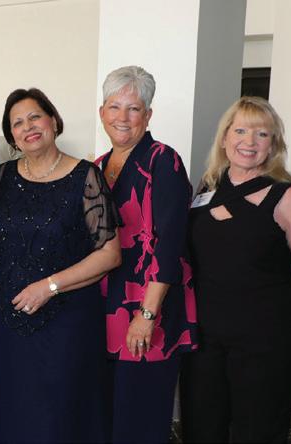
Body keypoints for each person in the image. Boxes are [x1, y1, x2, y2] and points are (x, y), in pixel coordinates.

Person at [181, 96, 291, 442]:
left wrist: (266, 279)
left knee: (258, 426)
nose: (249, 141)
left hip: (267, 333)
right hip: (205, 332)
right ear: (224, 138)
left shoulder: (287, 196)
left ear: (273, 145)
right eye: (240, 131)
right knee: (202, 422)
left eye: (261, 134)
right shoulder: (208, 187)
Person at [0, 88, 121, 442]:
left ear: (53, 121)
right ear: (11, 136)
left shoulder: (86, 176)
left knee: (61, 418)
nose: (28, 127)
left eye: (35, 117)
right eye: (18, 123)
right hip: (9, 324)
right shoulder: (0, 177)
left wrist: (49, 286)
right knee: (15, 415)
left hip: (68, 323)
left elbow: (110, 254)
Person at [95, 65, 198, 442]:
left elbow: (169, 243)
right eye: (114, 106)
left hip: (148, 308)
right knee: (110, 415)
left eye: (134, 108)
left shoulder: (162, 161)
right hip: (105, 308)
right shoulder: (97, 167)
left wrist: (147, 315)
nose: (122, 117)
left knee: (141, 416)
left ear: (148, 115)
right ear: (102, 112)